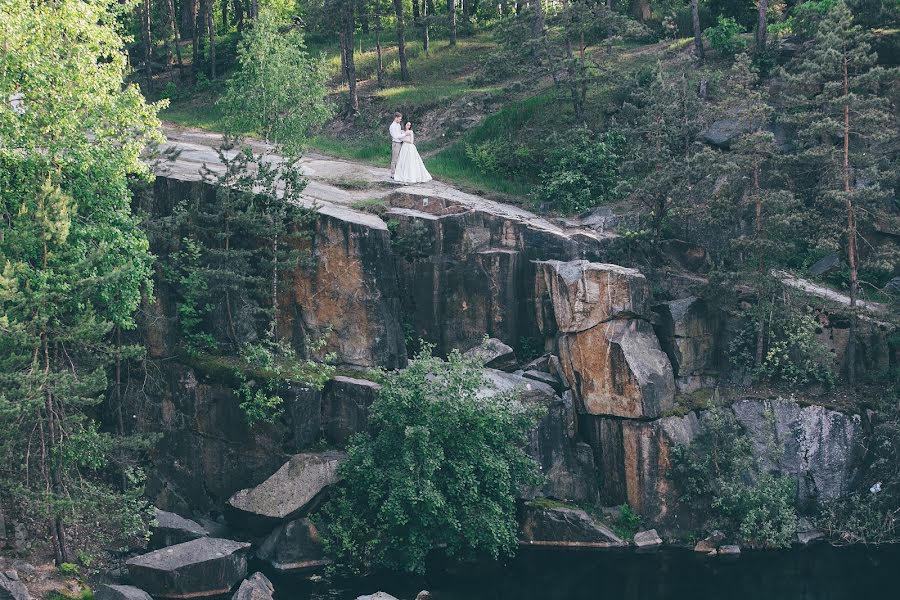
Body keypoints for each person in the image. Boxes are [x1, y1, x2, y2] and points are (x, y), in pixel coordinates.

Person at [389, 112, 404, 178]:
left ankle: (398, 172)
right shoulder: (392, 126)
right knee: (394, 159)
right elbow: (395, 136)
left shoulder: (398, 125)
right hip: (396, 143)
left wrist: (402, 133)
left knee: (399, 158)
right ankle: (393, 173)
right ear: (396, 118)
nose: (400, 120)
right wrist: (404, 134)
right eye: (399, 119)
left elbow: (399, 133)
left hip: (400, 143)